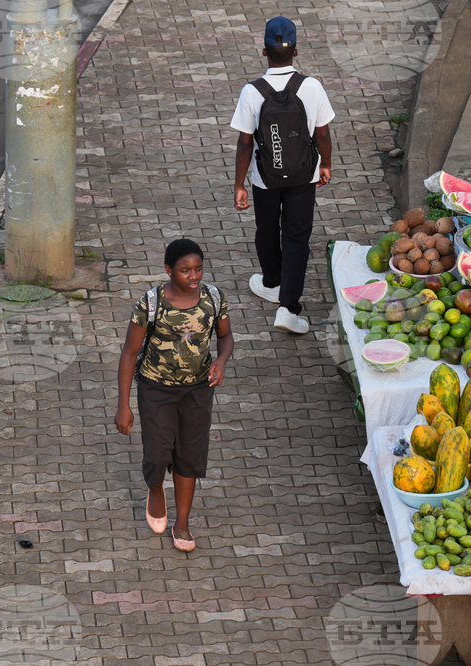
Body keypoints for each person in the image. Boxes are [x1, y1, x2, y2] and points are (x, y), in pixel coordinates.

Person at [114, 239, 234, 552]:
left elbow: (226, 336)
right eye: (184, 270)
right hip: (156, 390)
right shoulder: (151, 303)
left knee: (189, 456)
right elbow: (129, 353)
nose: (193, 276)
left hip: (198, 390)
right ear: (169, 270)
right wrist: (123, 405)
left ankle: (182, 522)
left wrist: (220, 361)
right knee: (156, 454)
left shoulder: (214, 298)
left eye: (198, 269)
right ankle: (155, 490)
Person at [231, 15, 335, 335]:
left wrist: (239, 184)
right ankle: (288, 308)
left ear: (264, 51)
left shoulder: (253, 91)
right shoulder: (311, 87)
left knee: (266, 229)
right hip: (304, 176)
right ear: (296, 51)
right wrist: (326, 165)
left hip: (265, 177)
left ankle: (272, 282)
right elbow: (323, 135)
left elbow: (245, 142)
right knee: (296, 238)